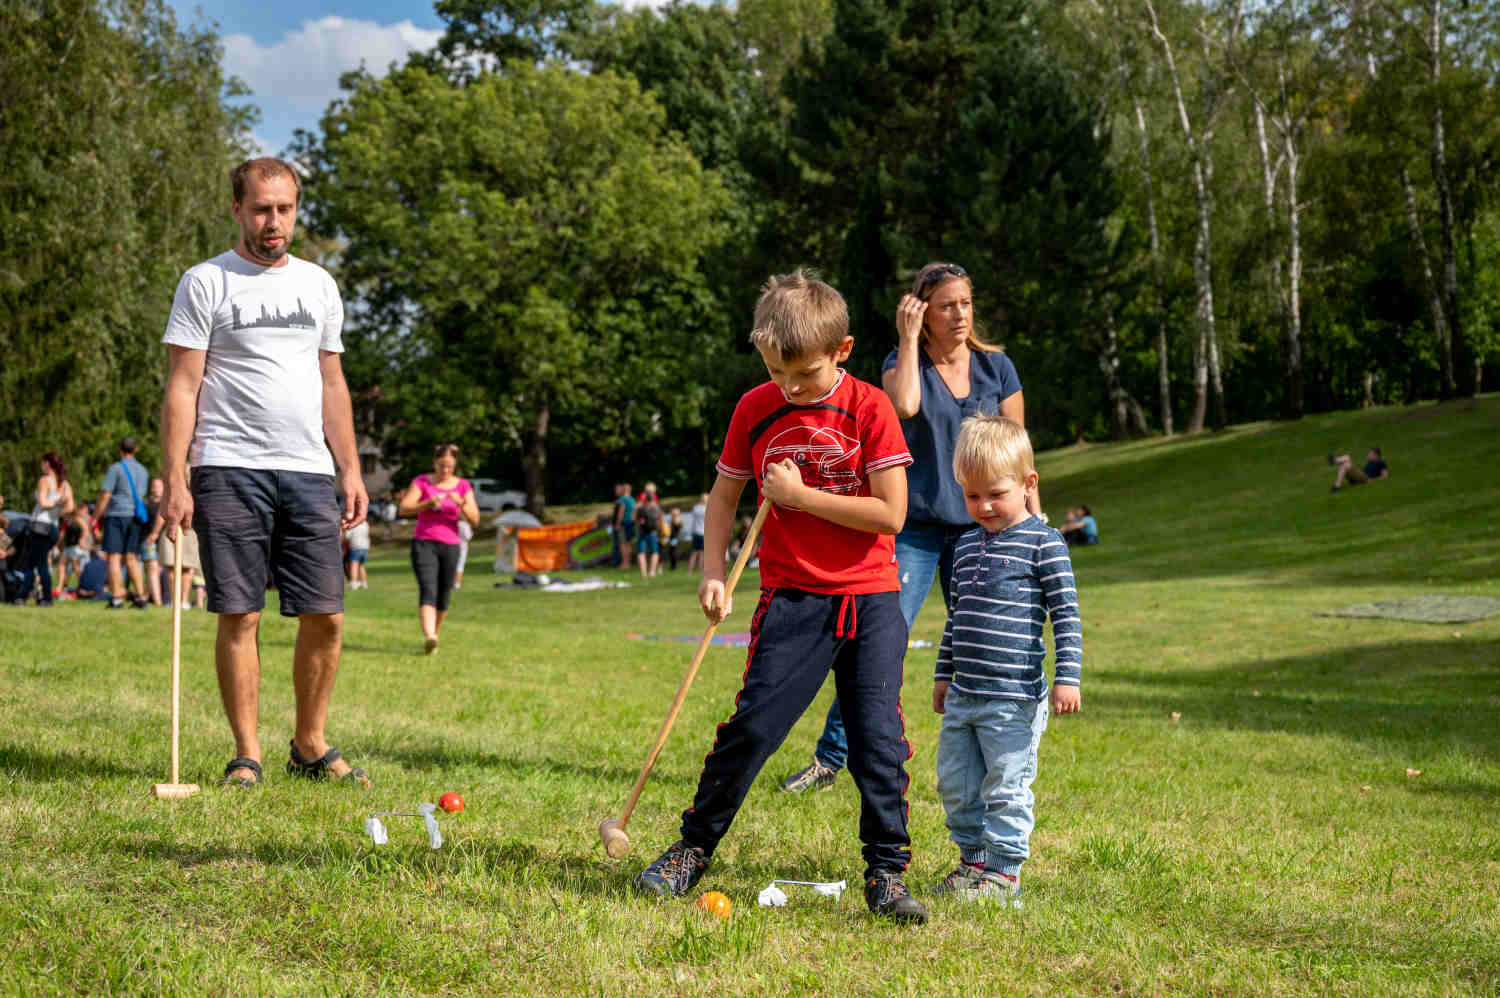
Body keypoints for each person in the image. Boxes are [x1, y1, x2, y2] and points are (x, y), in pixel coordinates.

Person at [631, 271, 927, 924]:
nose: (790, 387)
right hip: (793, 599)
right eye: (775, 371)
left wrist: (800, 497)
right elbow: (723, 498)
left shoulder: (871, 408)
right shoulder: (755, 408)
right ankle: (691, 849)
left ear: (842, 351)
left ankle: (887, 872)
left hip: (871, 599)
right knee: (755, 727)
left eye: (805, 374)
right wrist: (713, 571)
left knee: (877, 740)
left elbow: (892, 514)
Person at [781, 261, 1035, 795]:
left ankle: (993, 756)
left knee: (986, 641)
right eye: (946, 306)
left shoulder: (998, 368)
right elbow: (904, 405)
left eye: (965, 303)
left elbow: (1019, 452)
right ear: (922, 311)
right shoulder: (902, 363)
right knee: (880, 644)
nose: (960, 314)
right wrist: (908, 335)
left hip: (983, 531)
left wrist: (1032, 518)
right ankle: (831, 758)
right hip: (915, 530)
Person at [159, 156, 370, 790]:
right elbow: (182, 386)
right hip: (227, 465)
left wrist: (351, 468)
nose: (273, 221)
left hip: (307, 469)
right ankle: (246, 755)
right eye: (260, 209)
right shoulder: (206, 282)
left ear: (296, 210)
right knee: (241, 614)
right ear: (237, 210)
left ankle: (309, 744)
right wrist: (176, 478)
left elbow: (332, 381)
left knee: (326, 615)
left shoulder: (319, 285)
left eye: (284, 209)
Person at [929, 414, 1080, 905]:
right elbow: (957, 617)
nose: (984, 506)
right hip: (965, 695)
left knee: (1006, 788)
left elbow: (1066, 616)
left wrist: (1068, 677)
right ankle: (973, 862)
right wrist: (943, 674)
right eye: (972, 496)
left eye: (996, 493)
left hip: (1013, 698)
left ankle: (1004, 873)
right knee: (957, 785)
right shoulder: (965, 546)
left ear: (1028, 484)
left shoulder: (1045, 544)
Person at [398, 443, 480, 654]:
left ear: (455, 465)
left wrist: (460, 503)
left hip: (451, 545)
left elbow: (475, 519)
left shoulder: (463, 486)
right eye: (442, 465)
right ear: (435, 463)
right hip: (424, 543)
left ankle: (434, 635)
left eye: (450, 466)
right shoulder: (422, 482)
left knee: (444, 594)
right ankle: (430, 636)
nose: (445, 470)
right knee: (428, 589)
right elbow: (404, 508)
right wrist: (427, 503)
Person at [94, 437, 150, 609]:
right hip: (135, 517)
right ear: (136, 449)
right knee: (132, 558)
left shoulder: (115, 469)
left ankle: (117, 597)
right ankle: (140, 596)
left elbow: (106, 495)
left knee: (114, 557)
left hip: (116, 515)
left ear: (120, 449)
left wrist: (95, 516)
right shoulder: (143, 471)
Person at [16, 453, 74, 606]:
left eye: (43, 463)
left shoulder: (45, 480)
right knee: (36, 562)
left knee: (37, 563)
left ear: (48, 464)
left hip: (40, 526)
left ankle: (42, 597)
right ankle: (29, 596)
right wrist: (58, 512)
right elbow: (70, 507)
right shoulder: (65, 484)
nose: (41, 466)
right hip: (53, 527)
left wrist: (55, 503)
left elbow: (42, 502)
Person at [141, 478, 165, 604]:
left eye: (158, 486)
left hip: (162, 540)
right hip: (149, 539)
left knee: (155, 570)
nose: (156, 488)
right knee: (152, 568)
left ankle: (146, 596)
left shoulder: (165, 502)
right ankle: (157, 601)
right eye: (154, 486)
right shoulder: (146, 503)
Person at [635, 484, 662, 579]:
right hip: (653, 532)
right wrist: (660, 530)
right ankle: (652, 572)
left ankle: (643, 573)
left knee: (641, 552)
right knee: (655, 552)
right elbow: (660, 519)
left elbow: (635, 519)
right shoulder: (656, 507)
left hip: (642, 532)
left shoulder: (640, 507)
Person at [612, 483, 636, 569]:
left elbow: (621, 513)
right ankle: (628, 563)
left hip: (623, 524)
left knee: (622, 544)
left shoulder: (622, 500)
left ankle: (624, 563)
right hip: (631, 523)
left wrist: (618, 524)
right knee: (629, 544)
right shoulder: (632, 499)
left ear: (624, 490)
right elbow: (634, 512)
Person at [345, 517, 371, 589]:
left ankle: (353, 583)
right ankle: (364, 583)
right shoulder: (365, 523)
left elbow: (347, 536)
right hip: (365, 547)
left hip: (356, 546)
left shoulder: (352, 524)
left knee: (354, 565)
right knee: (361, 565)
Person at [688, 492, 707, 573]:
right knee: (702, 553)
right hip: (703, 532)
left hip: (695, 532)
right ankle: (700, 569)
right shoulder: (707, 508)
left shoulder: (695, 508)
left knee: (694, 552)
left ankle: (690, 570)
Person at [453, 518, 472, 589]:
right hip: (462, 548)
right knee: (460, 566)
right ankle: (457, 584)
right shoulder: (465, 525)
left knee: (452, 565)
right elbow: (468, 536)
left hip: (452, 546)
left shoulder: (453, 523)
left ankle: (450, 582)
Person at [665, 506, 684, 571]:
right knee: (671, 552)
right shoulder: (673, 519)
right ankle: (672, 566)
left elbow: (678, 527)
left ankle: (674, 566)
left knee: (672, 552)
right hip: (672, 538)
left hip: (674, 538)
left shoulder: (677, 520)